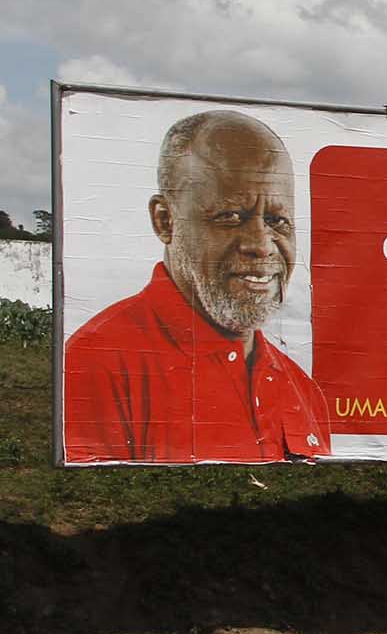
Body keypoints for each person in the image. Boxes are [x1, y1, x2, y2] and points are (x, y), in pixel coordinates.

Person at [63, 109, 332, 463]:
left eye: (277, 220)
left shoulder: (303, 391)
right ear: (165, 220)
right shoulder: (94, 367)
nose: (261, 244)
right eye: (230, 216)